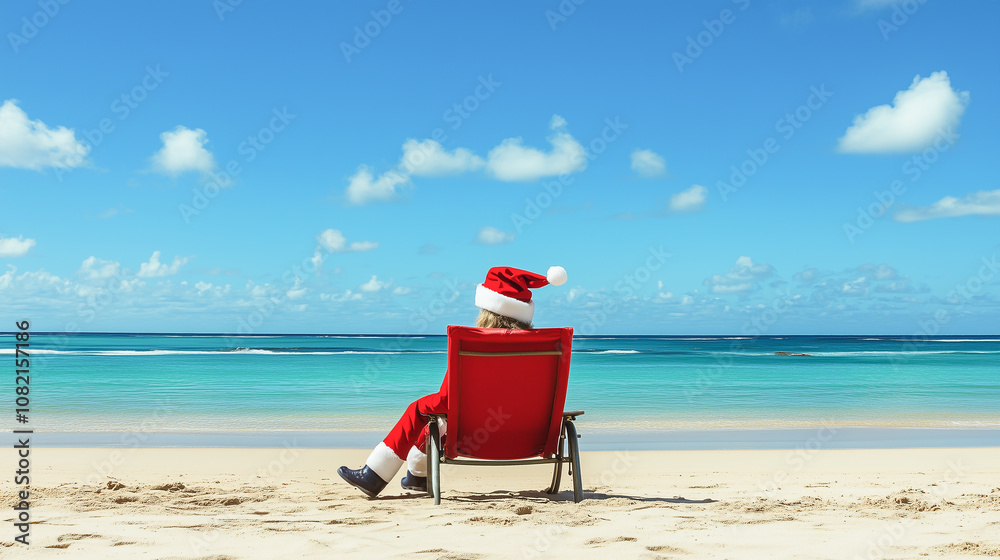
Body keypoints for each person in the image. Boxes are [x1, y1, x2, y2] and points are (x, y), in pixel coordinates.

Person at [338, 265, 568, 498]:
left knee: (422, 410)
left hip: (471, 439)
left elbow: (448, 399)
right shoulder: (544, 350)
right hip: (529, 440)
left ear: (487, 309)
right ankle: (417, 477)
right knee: (432, 416)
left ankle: (375, 475)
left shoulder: (474, 345)